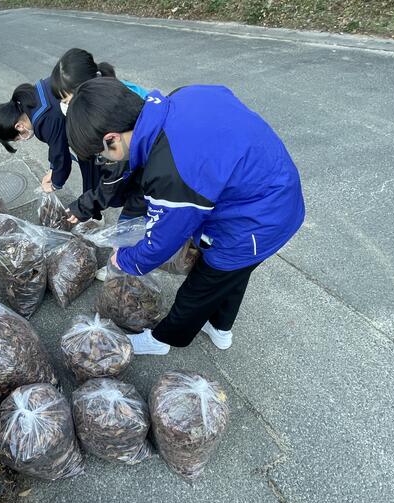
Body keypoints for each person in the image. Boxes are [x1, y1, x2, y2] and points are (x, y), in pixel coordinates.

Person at [66, 78, 305, 355]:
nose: (106, 161)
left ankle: (162, 340)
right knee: (233, 274)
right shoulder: (185, 96)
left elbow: (162, 242)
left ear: (112, 138)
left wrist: (125, 259)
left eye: (102, 155)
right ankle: (220, 328)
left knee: (200, 288)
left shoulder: (171, 171)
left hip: (256, 221)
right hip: (276, 191)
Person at [50, 48, 148, 224]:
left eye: (68, 101)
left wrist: (84, 207)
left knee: (129, 227)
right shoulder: (112, 94)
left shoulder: (112, 122)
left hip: (145, 188)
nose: (66, 107)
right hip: (141, 181)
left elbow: (114, 178)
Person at [0, 77, 96, 195]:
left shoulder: (43, 120)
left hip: (95, 118)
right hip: (93, 94)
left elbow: (61, 155)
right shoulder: (33, 95)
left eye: (18, 138)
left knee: (92, 173)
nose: (22, 139)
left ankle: (93, 202)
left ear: (19, 126)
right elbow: (55, 141)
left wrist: (55, 184)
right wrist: (52, 169)